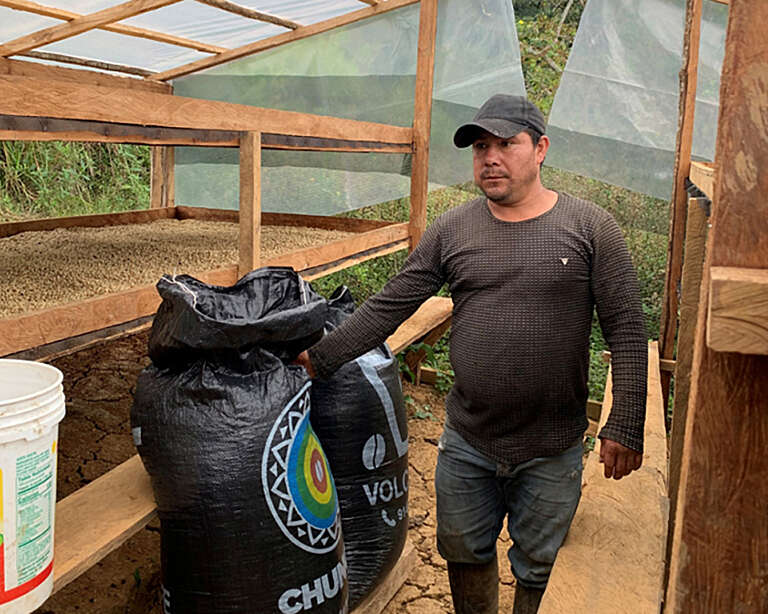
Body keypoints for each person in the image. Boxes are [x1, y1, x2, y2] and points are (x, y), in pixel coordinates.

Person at [295, 94, 647, 614]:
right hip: (468, 442)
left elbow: (626, 326)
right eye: (481, 146)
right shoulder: (453, 230)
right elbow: (390, 307)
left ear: (541, 148)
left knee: (540, 566)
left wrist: (627, 420)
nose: (491, 157)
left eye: (507, 143)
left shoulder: (591, 228)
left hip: (551, 446)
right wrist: (315, 360)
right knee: (462, 549)